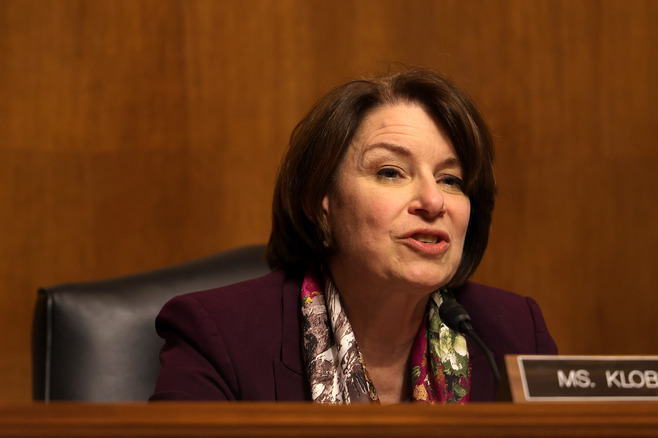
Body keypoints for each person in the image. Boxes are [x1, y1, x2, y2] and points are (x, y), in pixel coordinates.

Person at [150, 69, 557, 404]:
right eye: (390, 172)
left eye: (450, 179)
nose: (434, 201)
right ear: (319, 199)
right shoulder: (220, 336)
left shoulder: (515, 333)